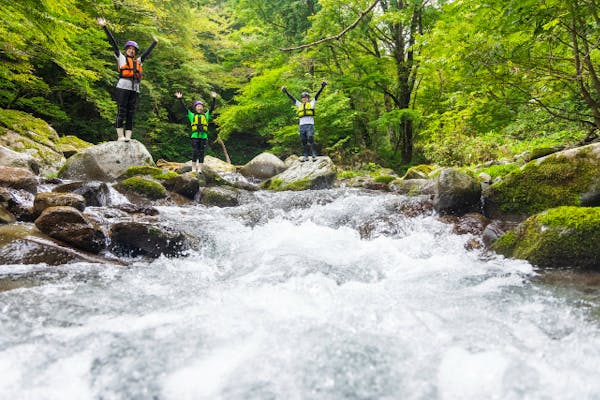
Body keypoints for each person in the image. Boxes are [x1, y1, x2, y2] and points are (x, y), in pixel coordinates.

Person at [97, 17, 158, 142]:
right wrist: (105, 27)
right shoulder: (121, 57)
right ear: (126, 50)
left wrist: (154, 43)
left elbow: (146, 54)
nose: (131, 50)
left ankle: (128, 137)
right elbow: (113, 43)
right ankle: (120, 136)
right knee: (122, 110)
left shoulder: (138, 62)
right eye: (129, 48)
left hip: (135, 89)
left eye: (133, 49)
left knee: (131, 113)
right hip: (122, 87)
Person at [281, 80, 327, 161]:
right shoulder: (299, 105)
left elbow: (317, 95)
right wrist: (286, 92)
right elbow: (292, 98)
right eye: (303, 98)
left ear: (308, 98)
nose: (304, 99)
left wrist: (322, 87)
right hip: (302, 126)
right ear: (302, 99)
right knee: (303, 140)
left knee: (310, 138)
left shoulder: (312, 103)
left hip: (310, 125)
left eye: (306, 98)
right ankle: (305, 156)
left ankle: (314, 154)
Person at [174, 91, 217, 172]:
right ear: (195, 107)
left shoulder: (206, 115)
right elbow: (184, 108)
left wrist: (214, 99)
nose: (199, 107)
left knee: (201, 153)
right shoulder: (192, 115)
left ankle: (199, 169)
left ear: (202, 108)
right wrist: (180, 99)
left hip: (203, 137)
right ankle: (193, 168)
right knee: (195, 152)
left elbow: (212, 108)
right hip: (195, 137)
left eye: (201, 106)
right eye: (198, 106)